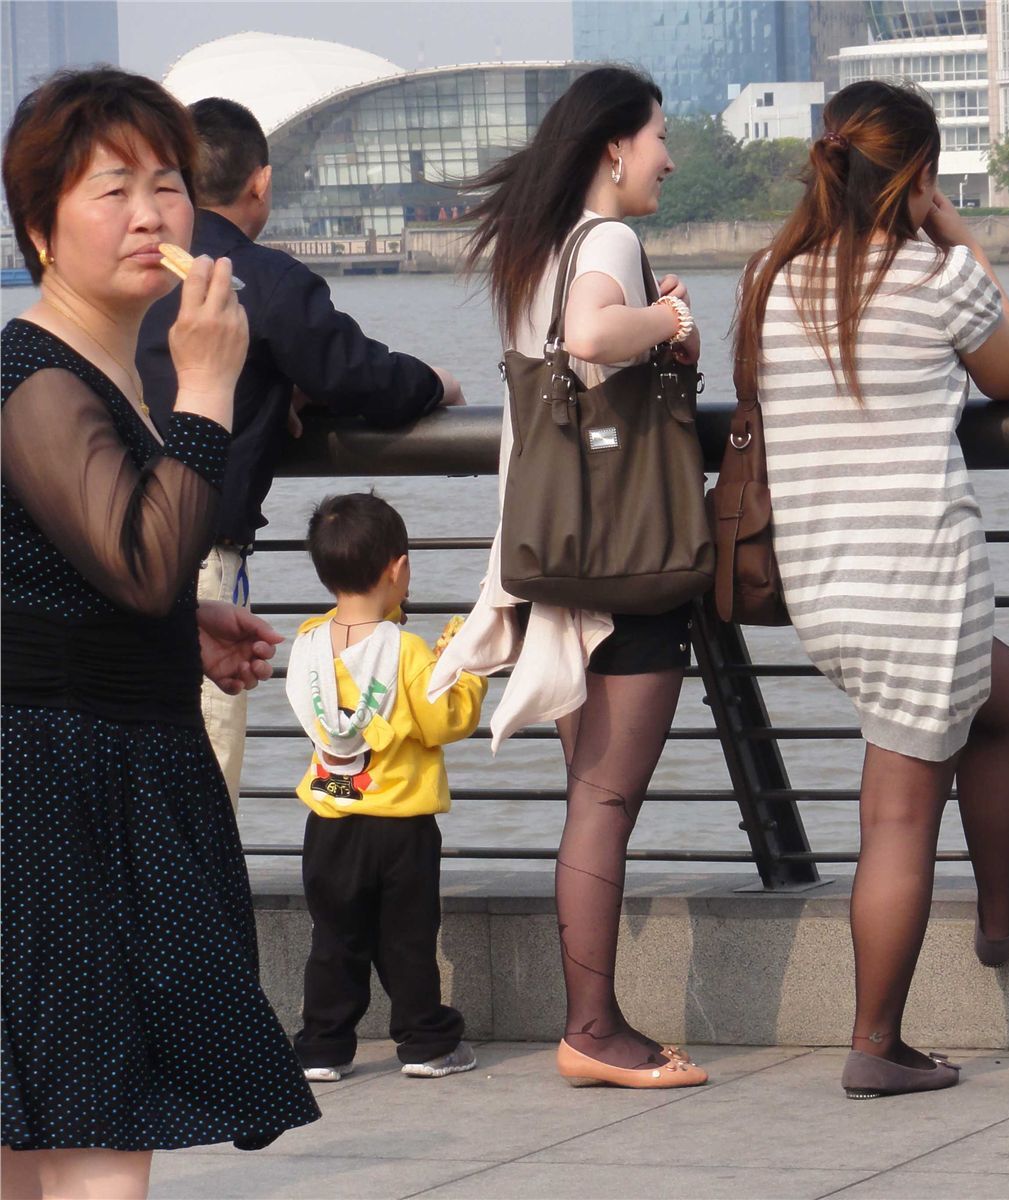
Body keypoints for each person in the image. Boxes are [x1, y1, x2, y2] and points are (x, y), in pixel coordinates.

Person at [1, 68, 320, 1198]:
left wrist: (184, 629)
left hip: (98, 764)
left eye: (169, 186)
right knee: (92, 1126)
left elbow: (60, 577)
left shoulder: (90, 367)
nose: (150, 215)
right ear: (39, 227)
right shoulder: (37, 378)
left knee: (40, 1121)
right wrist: (208, 384)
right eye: (111, 189)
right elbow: (139, 562)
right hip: (56, 787)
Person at [733, 80, 1009, 1100]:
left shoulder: (774, 281)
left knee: (1007, 692)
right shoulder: (931, 275)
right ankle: (877, 1041)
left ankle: (1001, 907)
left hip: (825, 586)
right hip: (919, 580)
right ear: (916, 176)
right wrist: (957, 236)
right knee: (899, 815)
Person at [436, 65, 708, 1089]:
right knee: (604, 802)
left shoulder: (537, 251)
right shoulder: (606, 242)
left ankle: (593, 1022)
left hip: (553, 553)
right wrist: (673, 325)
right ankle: (591, 1028)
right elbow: (596, 341)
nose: (669, 158)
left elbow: (569, 350)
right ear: (611, 148)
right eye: (658, 138)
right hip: (624, 560)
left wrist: (651, 320)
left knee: (584, 797)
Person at [135, 97, 467, 809]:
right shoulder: (263, 281)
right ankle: (195, 916)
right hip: (199, 556)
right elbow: (361, 376)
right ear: (261, 182)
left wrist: (274, 383)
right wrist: (436, 384)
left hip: (102, 546)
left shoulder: (135, 276)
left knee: (122, 772)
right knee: (201, 775)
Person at [285, 492, 485, 1083]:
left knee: (335, 938)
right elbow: (445, 722)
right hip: (401, 828)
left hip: (329, 824)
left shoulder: (308, 643)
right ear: (397, 568)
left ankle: (322, 1047)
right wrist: (464, 668)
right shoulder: (409, 652)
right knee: (407, 940)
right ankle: (425, 1043)